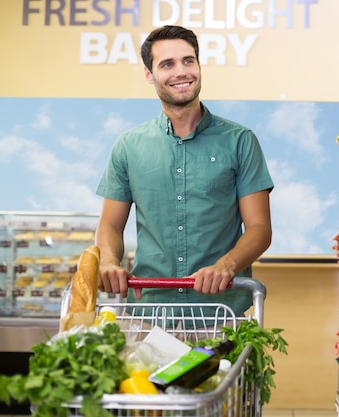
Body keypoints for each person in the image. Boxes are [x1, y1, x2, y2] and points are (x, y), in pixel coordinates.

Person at [95, 25, 274, 316]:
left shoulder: (240, 141)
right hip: (149, 312)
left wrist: (225, 265)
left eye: (188, 61)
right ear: (149, 74)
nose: (181, 72)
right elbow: (111, 225)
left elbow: (259, 229)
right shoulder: (128, 146)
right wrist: (108, 261)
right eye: (167, 64)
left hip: (219, 313)